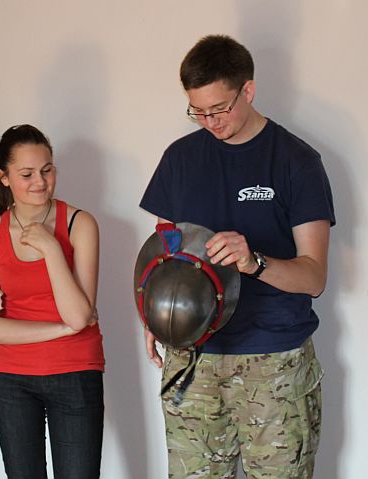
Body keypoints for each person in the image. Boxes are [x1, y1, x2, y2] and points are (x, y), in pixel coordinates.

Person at [140, 34, 335, 478]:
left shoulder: (297, 162)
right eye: (197, 111)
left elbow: (314, 277)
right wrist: (155, 313)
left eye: (219, 108)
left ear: (248, 90)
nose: (209, 121)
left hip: (273, 361)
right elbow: (165, 254)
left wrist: (255, 263)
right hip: (193, 360)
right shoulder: (180, 159)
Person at [0, 124, 105, 478]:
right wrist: (61, 329)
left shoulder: (80, 224)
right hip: (11, 379)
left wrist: (51, 249)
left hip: (75, 371)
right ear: (4, 178)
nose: (40, 182)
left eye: (47, 170)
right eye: (27, 174)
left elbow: (78, 314)